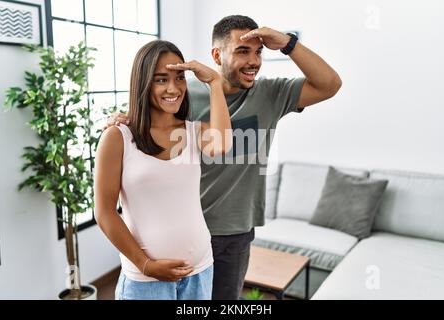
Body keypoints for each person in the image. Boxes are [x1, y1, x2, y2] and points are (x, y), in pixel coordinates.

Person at [106, 15, 342, 300]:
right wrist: (126, 119)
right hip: (185, 230)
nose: (253, 61)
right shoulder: (183, 95)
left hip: (234, 232)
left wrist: (287, 44)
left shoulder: (271, 94)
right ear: (217, 55)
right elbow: (149, 131)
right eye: (243, 51)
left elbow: (330, 84)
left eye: (259, 52)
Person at [94, 40, 232, 300]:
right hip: (146, 282)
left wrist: (214, 82)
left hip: (200, 271)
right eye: (161, 79)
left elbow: (223, 144)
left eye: (179, 77)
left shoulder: (194, 131)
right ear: (143, 83)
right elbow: (103, 212)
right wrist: (145, 264)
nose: (173, 88)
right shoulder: (118, 137)